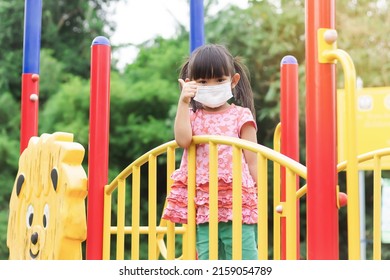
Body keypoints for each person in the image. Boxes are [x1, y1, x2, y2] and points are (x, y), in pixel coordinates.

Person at [162, 44, 258, 260]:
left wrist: (258, 195)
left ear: (233, 81)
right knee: (208, 258)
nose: (212, 86)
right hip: (205, 204)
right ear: (191, 84)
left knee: (244, 259)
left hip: (237, 203)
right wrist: (183, 101)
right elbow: (183, 139)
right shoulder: (193, 116)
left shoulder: (241, 116)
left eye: (219, 80)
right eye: (203, 82)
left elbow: (253, 160)